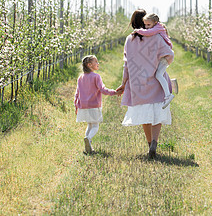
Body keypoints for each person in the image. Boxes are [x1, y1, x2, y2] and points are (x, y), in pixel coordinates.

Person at [116, 9, 174, 158]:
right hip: (155, 80)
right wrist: (161, 65)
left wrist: (124, 83)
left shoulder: (130, 39)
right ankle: (155, 142)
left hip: (138, 83)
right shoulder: (155, 37)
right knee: (157, 112)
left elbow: (127, 64)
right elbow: (168, 53)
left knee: (145, 115)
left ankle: (149, 144)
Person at [74, 55, 120, 153]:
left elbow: (77, 93)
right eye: (96, 62)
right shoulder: (96, 76)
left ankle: (88, 144)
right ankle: (88, 139)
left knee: (89, 125)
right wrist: (114, 92)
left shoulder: (80, 77)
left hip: (83, 106)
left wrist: (76, 105)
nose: (98, 63)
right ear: (89, 65)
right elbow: (102, 89)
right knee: (95, 125)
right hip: (94, 105)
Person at [133, 13, 174, 109]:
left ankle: (168, 95)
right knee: (159, 74)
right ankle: (170, 87)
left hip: (165, 56)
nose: (147, 28)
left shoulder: (158, 27)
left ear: (155, 22)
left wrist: (137, 30)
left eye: (148, 25)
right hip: (165, 54)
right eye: (145, 25)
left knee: (158, 75)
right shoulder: (157, 28)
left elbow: (148, 33)